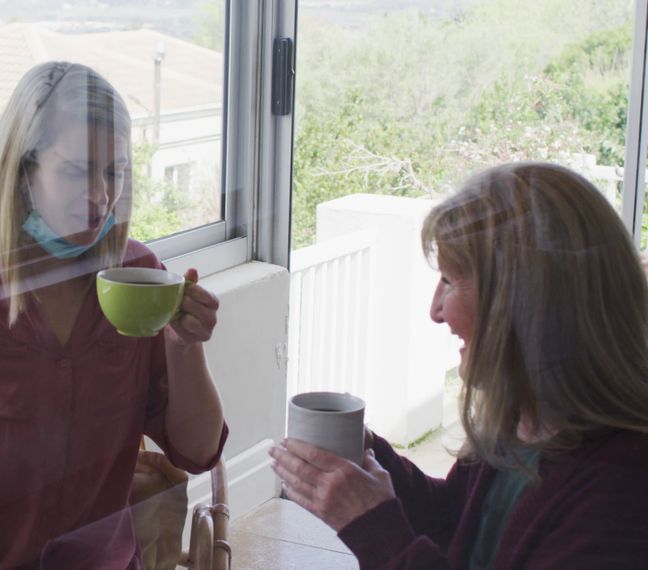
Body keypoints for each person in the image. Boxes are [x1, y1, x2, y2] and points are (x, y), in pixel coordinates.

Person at [271, 162, 648, 568]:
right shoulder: (522, 424)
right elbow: (457, 523)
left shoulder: (622, 485)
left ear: (522, 303)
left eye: (449, 281)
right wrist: (371, 461)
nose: (436, 311)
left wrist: (372, 526)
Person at [0, 61, 228, 569]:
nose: (101, 196)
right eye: (76, 171)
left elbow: (198, 450)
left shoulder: (140, 275)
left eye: (115, 171)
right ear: (23, 169)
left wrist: (186, 348)